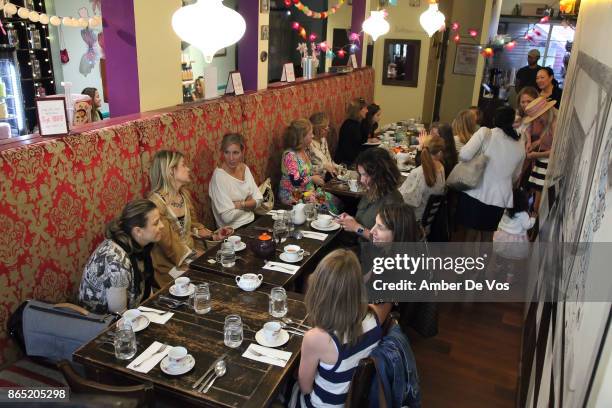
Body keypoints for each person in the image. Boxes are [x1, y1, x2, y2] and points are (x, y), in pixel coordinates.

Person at [288, 249, 389, 408]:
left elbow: (305, 388)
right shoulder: (375, 316)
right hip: (354, 400)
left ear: (319, 289)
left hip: (320, 405)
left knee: (287, 386)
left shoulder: (317, 338)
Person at [149, 150, 232, 286]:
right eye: (183, 165)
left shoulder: (184, 196)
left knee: (225, 268)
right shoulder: (156, 205)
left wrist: (213, 235)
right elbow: (169, 246)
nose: (188, 168)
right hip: (169, 266)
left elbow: (192, 226)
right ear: (171, 171)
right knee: (209, 281)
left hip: (191, 255)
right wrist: (197, 257)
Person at [78, 199, 162, 314]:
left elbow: (146, 289)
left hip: (134, 312)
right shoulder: (117, 262)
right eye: (156, 223)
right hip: (103, 325)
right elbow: (119, 314)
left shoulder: (141, 245)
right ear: (138, 231)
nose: (162, 225)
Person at [455, 106, 525, 242]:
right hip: (499, 197)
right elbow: (516, 176)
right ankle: (484, 263)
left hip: (476, 191)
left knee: (470, 234)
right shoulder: (519, 145)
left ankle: (465, 264)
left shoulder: (485, 133)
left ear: (494, 119)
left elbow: (463, 155)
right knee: (487, 237)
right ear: (511, 121)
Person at [337, 148, 403, 240]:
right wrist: (350, 221)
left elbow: (384, 242)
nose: (361, 180)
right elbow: (363, 222)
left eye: (365, 175)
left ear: (380, 175)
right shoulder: (373, 190)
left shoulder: (393, 201)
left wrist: (356, 227)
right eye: (361, 175)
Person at [279, 119, 340, 212]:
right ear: (301, 137)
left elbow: (307, 171)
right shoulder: (290, 156)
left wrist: (321, 171)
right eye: (310, 133)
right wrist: (312, 178)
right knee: (326, 206)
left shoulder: (303, 150)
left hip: (306, 192)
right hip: (293, 195)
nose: (313, 135)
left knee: (336, 201)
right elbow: (295, 181)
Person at [209, 133, 263, 229]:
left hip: (252, 221)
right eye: (227, 152)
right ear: (222, 153)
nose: (231, 158)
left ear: (242, 152)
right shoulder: (219, 177)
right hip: (232, 230)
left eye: (235, 153)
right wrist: (248, 204)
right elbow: (227, 216)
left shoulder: (244, 168)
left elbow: (259, 199)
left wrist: (239, 204)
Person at [399, 136, 446, 223]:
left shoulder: (419, 173)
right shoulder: (441, 168)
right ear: (439, 153)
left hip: (415, 219)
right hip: (429, 217)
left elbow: (409, 201)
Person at [492, 188, 536, 283]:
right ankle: (509, 277)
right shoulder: (523, 214)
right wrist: (533, 218)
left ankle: (497, 268)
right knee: (512, 260)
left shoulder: (507, 210)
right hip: (514, 241)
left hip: (502, 237)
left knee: (500, 255)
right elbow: (527, 226)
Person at [523, 96, 558, 213]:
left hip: (546, 165)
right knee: (536, 205)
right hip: (542, 162)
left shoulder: (554, 124)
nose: (537, 121)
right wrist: (532, 143)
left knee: (538, 206)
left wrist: (535, 155)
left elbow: (555, 151)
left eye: (538, 118)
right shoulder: (548, 123)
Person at [334, 97, 369, 166]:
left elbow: (363, 141)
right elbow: (347, 151)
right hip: (345, 163)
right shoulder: (350, 126)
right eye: (365, 108)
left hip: (353, 159)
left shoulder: (357, 123)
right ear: (358, 110)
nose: (367, 111)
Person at [307, 112, 340, 177]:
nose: (328, 130)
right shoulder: (308, 144)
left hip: (329, 175)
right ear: (316, 128)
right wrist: (323, 167)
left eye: (327, 126)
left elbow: (329, 161)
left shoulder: (323, 139)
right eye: (324, 127)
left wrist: (338, 167)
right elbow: (307, 169)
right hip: (317, 179)